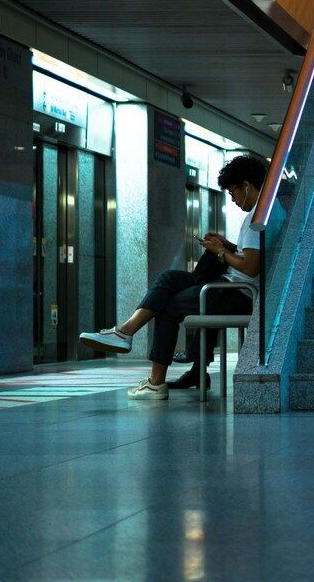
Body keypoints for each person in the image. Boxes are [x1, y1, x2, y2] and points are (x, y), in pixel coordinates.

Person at [78, 154, 265, 400]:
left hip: (236, 293)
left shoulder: (256, 217)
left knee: (166, 304)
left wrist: (219, 251)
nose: (232, 198)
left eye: (233, 192)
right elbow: (250, 257)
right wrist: (227, 245)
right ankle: (125, 334)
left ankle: (150, 373)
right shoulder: (261, 212)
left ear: (247, 186)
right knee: (168, 280)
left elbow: (250, 267)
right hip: (230, 286)